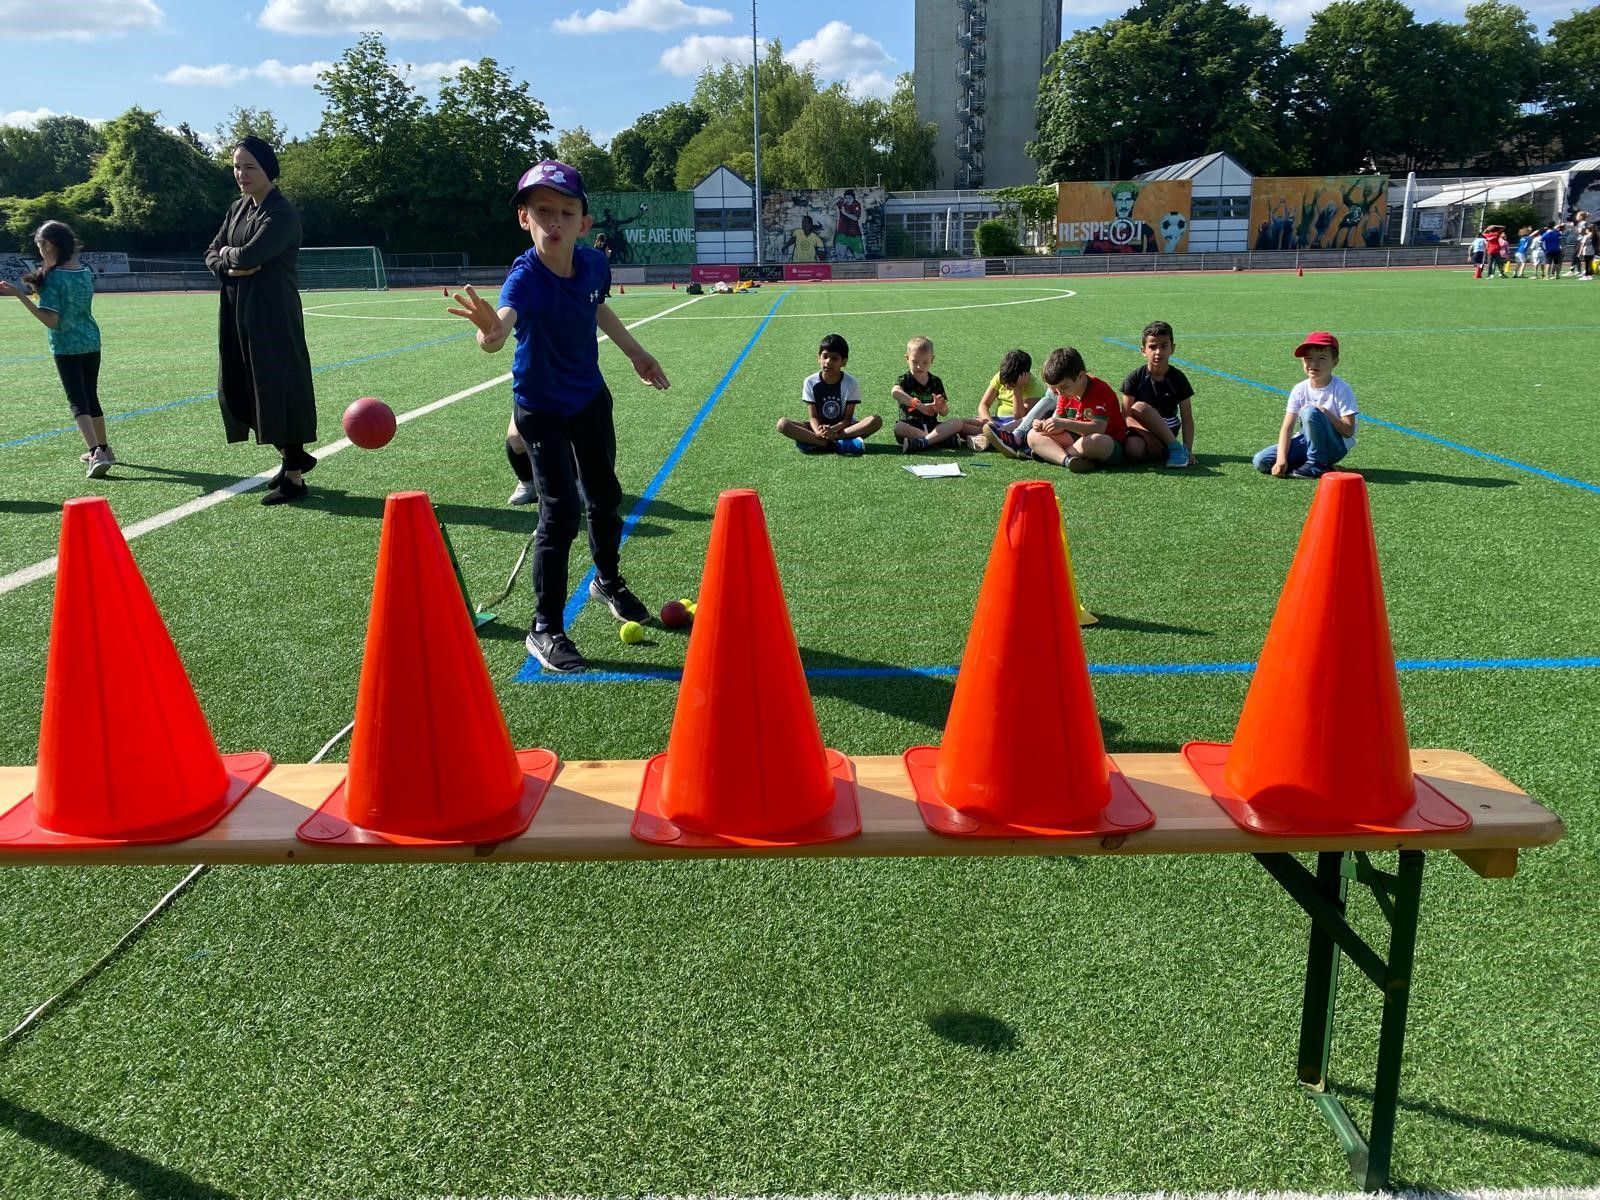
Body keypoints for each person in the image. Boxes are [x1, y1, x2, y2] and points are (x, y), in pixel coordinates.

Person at [447, 160, 669, 674]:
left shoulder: (593, 265)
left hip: (589, 398)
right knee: (561, 511)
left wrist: (636, 353)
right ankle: (544, 627)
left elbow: (597, 306)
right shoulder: (524, 278)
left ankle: (607, 581)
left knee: (605, 497)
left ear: (583, 224)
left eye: (567, 212)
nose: (555, 221)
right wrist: (488, 333)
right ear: (524, 218)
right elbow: (499, 330)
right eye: (543, 211)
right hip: (540, 407)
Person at [204, 136, 318, 505]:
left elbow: (251, 255)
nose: (242, 174)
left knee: (277, 388)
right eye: (237, 167)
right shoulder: (237, 209)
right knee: (244, 387)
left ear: (268, 168)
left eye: (249, 166)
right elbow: (213, 253)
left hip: (272, 314)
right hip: (237, 310)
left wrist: (230, 257)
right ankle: (290, 458)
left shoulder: (281, 213)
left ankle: (295, 478)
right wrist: (228, 261)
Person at [0, 221, 113, 478]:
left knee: (78, 401)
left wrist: (20, 296)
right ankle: (105, 449)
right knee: (91, 396)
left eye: (39, 245)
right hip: (91, 341)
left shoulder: (54, 278)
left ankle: (95, 453)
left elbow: (52, 321)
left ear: (49, 245)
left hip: (66, 346)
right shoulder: (84, 272)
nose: (39, 251)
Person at [1252, 331, 1358, 480]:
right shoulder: (1299, 389)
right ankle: (1323, 466)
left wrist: (1324, 412)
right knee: (1261, 462)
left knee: (1310, 411)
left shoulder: (1341, 388)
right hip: (1307, 442)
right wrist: (1281, 459)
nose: (1313, 364)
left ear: (1335, 362)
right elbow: (1287, 427)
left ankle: (1317, 463)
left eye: (1322, 358)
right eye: (1308, 358)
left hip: (1335, 446)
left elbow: (1348, 431)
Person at [1026, 346, 1130, 474]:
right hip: (1076, 441)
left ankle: (1052, 454)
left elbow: (1099, 428)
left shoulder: (1100, 390)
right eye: (1055, 389)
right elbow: (1057, 426)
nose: (1060, 393)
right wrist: (1043, 425)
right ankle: (1068, 460)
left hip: (1108, 443)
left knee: (1096, 440)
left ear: (1081, 376)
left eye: (1064, 387)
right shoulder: (1064, 393)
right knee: (1032, 435)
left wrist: (1063, 423)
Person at [777, 333, 880, 455]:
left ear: (844, 362)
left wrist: (832, 430)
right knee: (783, 424)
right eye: (825, 356)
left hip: (843, 429)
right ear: (818, 358)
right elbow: (813, 417)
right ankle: (836, 445)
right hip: (817, 428)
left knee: (876, 421)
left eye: (834, 358)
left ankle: (817, 443)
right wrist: (819, 432)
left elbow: (847, 419)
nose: (828, 362)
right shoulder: (810, 382)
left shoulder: (851, 382)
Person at [1120, 320, 1195, 468]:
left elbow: (1187, 418)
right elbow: (1126, 416)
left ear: (1172, 348)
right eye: (1153, 347)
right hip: (1142, 430)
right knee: (1133, 448)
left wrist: (1189, 449)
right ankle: (1164, 451)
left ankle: (1177, 449)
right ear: (1143, 351)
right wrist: (1148, 437)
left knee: (1140, 407)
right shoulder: (1135, 377)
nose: (1158, 352)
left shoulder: (1178, 378)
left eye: (1164, 346)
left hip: (1168, 429)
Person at [891, 336, 983, 453]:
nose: (919, 366)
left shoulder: (936, 381)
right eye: (915, 362)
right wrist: (919, 406)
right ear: (907, 358)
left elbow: (944, 413)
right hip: (910, 428)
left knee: (957, 422)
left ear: (932, 359)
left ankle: (923, 442)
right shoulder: (904, 379)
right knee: (899, 427)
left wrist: (941, 407)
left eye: (925, 362)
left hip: (933, 426)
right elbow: (895, 392)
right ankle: (938, 440)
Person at [972, 349, 1044, 451]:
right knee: (960, 424)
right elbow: (983, 405)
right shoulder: (1002, 377)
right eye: (1004, 382)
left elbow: (1021, 417)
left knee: (1022, 424)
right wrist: (989, 423)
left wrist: (1017, 388)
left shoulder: (1033, 385)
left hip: (1015, 426)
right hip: (997, 422)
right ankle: (985, 438)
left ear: (1024, 376)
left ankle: (986, 439)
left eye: (1010, 384)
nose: (1006, 386)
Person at [833, 190, 865, 260]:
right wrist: (838, 199)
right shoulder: (843, 203)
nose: (848, 200)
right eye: (846, 198)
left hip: (854, 234)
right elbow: (831, 205)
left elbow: (855, 218)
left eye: (849, 198)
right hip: (842, 234)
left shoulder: (856, 205)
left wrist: (845, 213)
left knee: (860, 257)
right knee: (840, 257)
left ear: (853, 198)